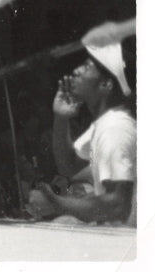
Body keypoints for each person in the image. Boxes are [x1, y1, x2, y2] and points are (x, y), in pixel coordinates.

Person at [26, 41, 136, 225]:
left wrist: (57, 204)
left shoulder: (115, 128)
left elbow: (118, 206)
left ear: (106, 84)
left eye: (86, 67)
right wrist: (61, 118)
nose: (76, 70)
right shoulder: (105, 124)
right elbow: (67, 166)